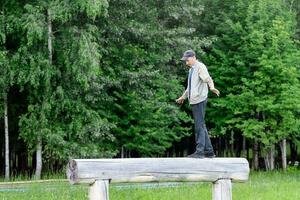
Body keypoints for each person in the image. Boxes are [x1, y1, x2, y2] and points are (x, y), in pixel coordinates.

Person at [176, 50, 220, 158]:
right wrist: (183, 97)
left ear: (194, 57)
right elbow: (190, 87)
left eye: (188, 60)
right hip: (194, 100)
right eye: (185, 60)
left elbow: (207, 78)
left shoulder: (200, 67)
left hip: (200, 100)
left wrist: (212, 87)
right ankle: (209, 152)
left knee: (199, 126)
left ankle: (200, 152)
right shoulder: (192, 69)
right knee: (201, 125)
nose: (186, 62)